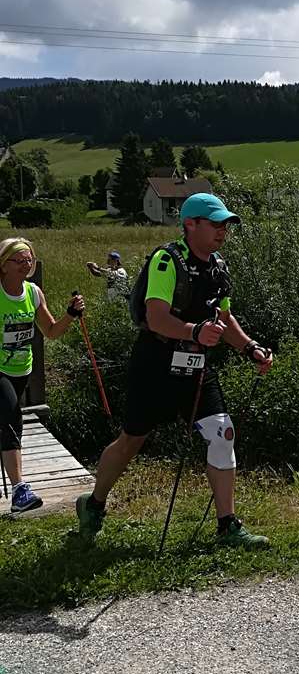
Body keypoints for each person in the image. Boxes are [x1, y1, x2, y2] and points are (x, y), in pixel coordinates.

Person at [76, 193, 273, 546]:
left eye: (225, 225)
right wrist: (194, 331)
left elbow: (224, 318)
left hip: (196, 366)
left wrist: (250, 347)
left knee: (222, 433)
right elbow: (156, 317)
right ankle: (93, 504)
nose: (222, 231)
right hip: (155, 362)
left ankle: (227, 525)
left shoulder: (218, 267)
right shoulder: (167, 261)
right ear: (190, 225)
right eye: (215, 224)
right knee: (130, 441)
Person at [0, 237, 85, 513]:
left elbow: (51, 331)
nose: (26, 265)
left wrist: (70, 314)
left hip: (21, 368)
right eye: (20, 260)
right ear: (4, 265)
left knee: (10, 424)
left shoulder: (33, 293)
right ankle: (19, 491)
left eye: (29, 260)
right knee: (11, 418)